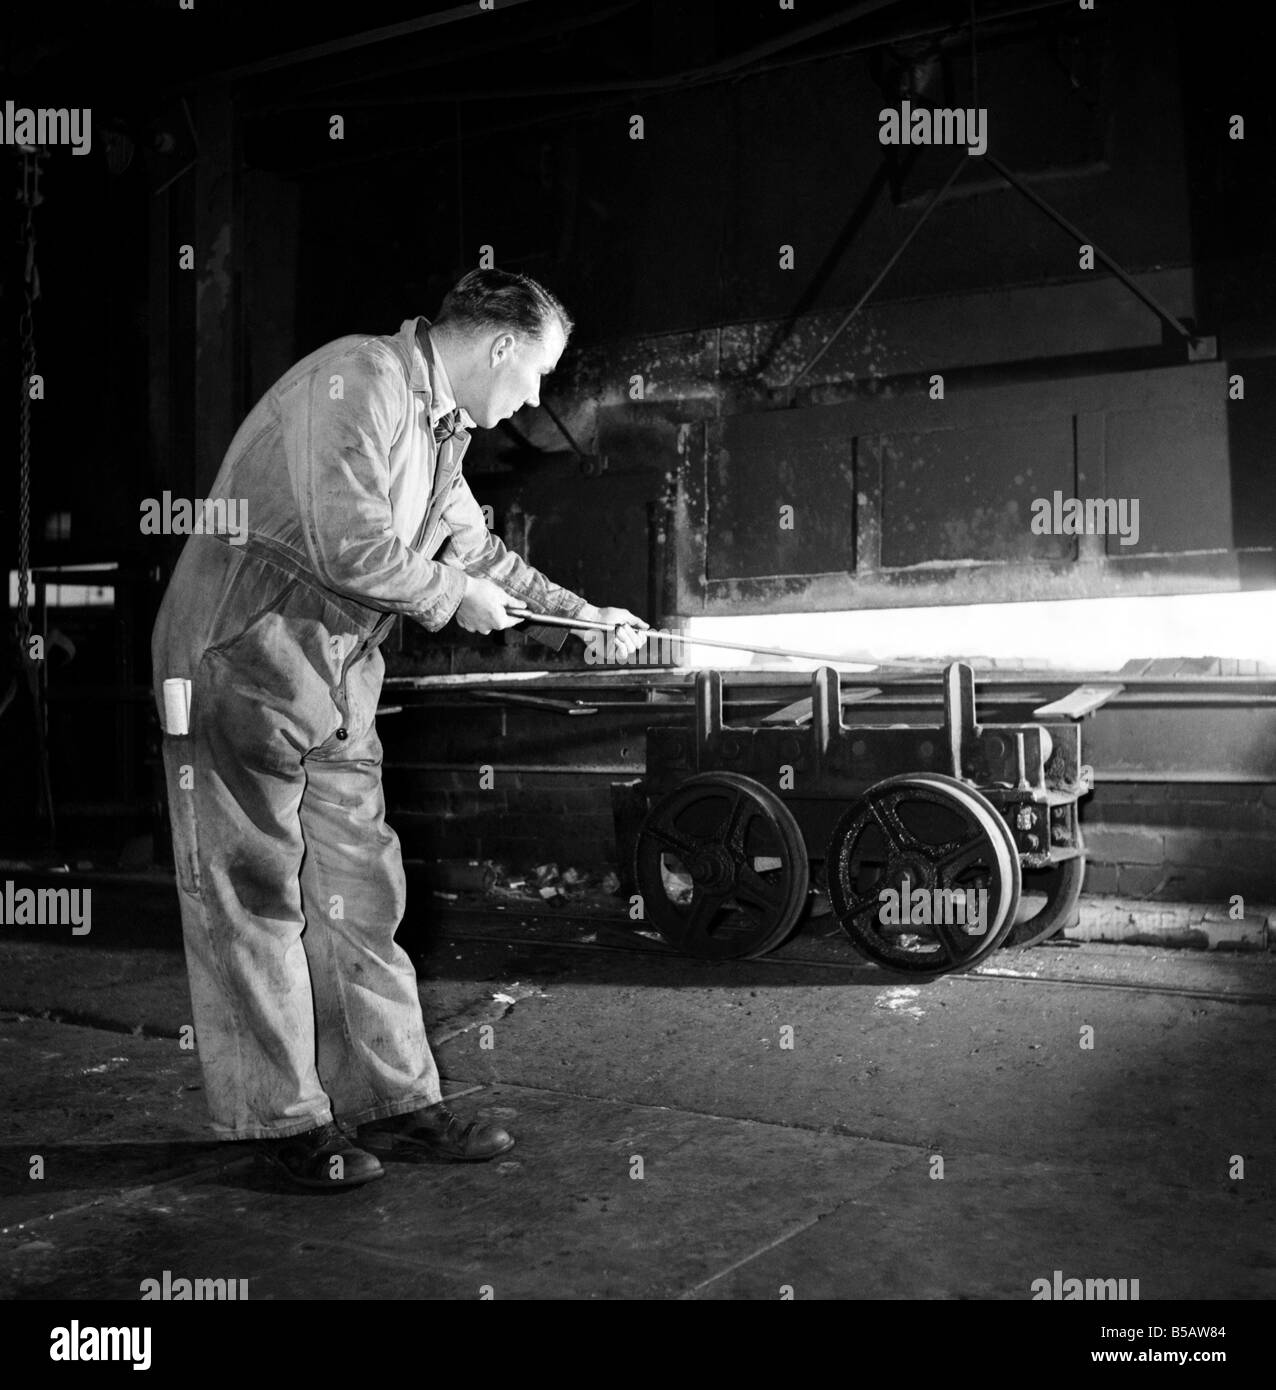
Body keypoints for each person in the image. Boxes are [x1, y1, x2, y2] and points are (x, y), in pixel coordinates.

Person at [151, 269, 646, 1190]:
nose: (535, 399)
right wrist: (457, 600)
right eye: (536, 374)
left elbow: (478, 552)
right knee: (253, 896)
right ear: (499, 347)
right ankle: (278, 1123)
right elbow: (350, 544)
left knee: (360, 894)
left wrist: (588, 615)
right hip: (237, 659)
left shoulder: (438, 433)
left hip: (334, 676)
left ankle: (391, 1102)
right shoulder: (360, 380)